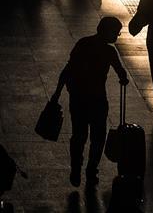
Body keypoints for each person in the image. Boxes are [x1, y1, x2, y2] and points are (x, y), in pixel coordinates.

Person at [57, 16, 129, 187]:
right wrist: (123, 79)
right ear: (108, 31)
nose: (117, 37)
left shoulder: (83, 43)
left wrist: (57, 92)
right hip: (97, 100)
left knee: (79, 135)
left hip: (78, 98)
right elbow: (122, 73)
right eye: (116, 33)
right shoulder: (109, 52)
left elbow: (68, 68)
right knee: (98, 137)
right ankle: (91, 170)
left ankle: (76, 168)